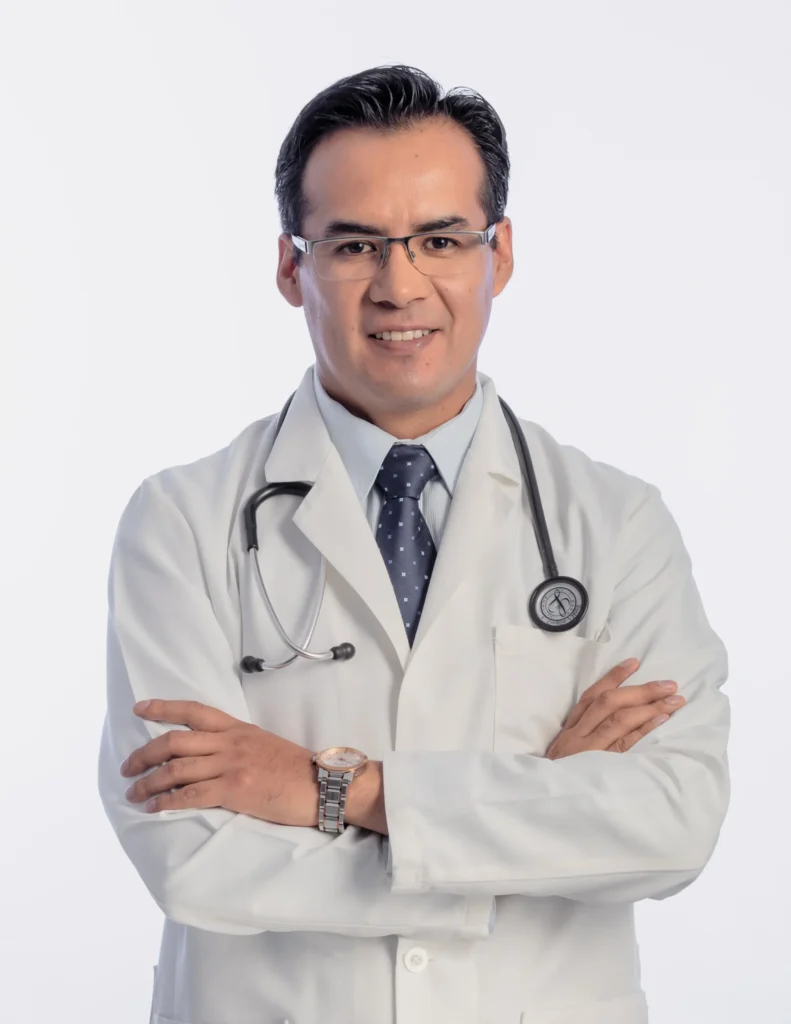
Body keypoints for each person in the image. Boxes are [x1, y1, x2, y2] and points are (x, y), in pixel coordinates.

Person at [98, 64, 730, 1024]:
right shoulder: (182, 522)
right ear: (291, 268)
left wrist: (335, 790)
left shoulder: (616, 524)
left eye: (440, 240)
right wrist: (531, 820)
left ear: (497, 255)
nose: (399, 286)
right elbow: (191, 858)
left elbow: (671, 823)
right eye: (354, 245)